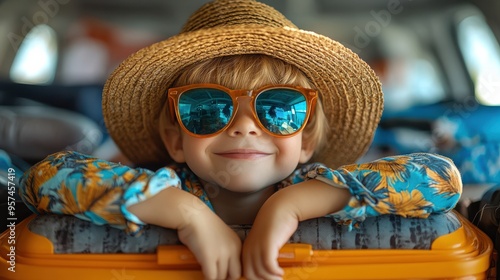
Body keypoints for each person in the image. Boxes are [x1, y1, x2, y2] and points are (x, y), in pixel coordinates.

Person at [19, 0, 462, 279]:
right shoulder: (166, 189)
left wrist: (287, 205)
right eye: (207, 108)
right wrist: (190, 215)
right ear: (176, 140)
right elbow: (44, 177)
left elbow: (442, 177)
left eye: (279, 108)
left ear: (305, 142)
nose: (245, 126)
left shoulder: (320, 185)